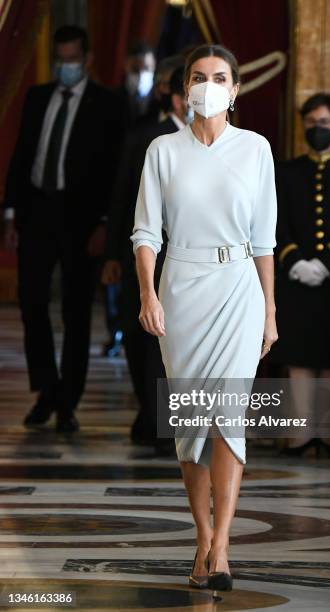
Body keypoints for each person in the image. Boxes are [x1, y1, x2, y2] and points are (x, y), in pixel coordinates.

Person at [130, 44, 277, 591]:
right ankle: (200, 533)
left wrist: (270, 308)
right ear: (183, 87)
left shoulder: (256, 149)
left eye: (219, 77)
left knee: (228, 417)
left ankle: (221, 548)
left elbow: (264, 239)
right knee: (192, 422)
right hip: (182, 290)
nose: (208, 85)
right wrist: (149, 295)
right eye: (199, 76)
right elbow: (146, 232)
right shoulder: (162, 151)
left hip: (239, 289)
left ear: (236, 90)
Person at [2, 25, 124, 433]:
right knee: (32, 301)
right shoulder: (38, 97)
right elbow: (22, 156)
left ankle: (66, 400)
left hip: (82, 222)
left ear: (87, 60)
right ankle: (47, 387)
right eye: (60, 60)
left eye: (72, 59)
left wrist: (106, 224)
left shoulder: (107, 104)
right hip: (37, 213)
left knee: (76, 312)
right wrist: (11, 214)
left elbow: (114, 171)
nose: (65, 67)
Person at [102, 65, 191, 453]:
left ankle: (163, 419)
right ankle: (154, 417)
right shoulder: (147, 138)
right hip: (148, 253)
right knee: (146, 338)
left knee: (179, 342)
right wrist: (112, 255)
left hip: (192, 258)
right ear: (176, 99)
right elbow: (122, 197)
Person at [272, 93, 330, 458]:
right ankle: (300, 435)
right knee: (300, 356)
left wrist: (328, 263)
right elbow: (276, 223)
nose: (317, 129)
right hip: (295, 279)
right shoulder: (287, 171)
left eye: (324, 124)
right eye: (311, 123)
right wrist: (294, 261)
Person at [118, 40, 157, 128]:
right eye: (135, 69)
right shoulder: (112, 99)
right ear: (125, 66)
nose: (141, 75)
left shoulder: (161, 102)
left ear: (154, 66)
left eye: (147, 68)